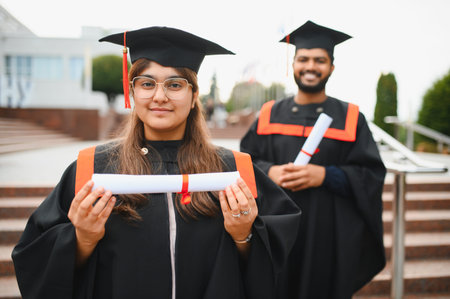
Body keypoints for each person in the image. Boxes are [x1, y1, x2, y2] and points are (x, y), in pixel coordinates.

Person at [12, 26, 302, 299]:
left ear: (193, 97)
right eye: (147, 83)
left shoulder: (232, 170)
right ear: (133, 92)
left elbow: (278, 262)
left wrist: (244, 237)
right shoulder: (93, 168)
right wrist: (82, 240)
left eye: (175, 84)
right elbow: (33, 259)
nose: (159, 96)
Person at [240, 20, 386, 299]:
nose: (311, 66)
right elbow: (244, 161)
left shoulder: (351, 117)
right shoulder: (270, 114)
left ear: (331, 67)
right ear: (292, 64)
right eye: (303, 59)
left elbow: (371, 175)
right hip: (276, 230)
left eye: (320, 60)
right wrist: (269, 171)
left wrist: (325, 175)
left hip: (328, 237)